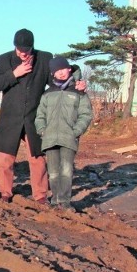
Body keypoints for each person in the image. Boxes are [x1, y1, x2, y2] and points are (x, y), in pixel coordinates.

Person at [0, 28, 86, 204]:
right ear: (15, 47)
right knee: (5, 158)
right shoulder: (4, 60)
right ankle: (5, 192)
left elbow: (62, 75)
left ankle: (40, 195)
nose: (23, 54)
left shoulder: (45, 58)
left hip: (35, 116)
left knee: (38, 158)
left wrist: (77, 82)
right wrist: (14, 74)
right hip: (10, 117)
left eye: (26, 51)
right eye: (20, 50)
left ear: (32, 47)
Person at [35, 56, 93, 212]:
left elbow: (86, 114)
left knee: (66, 170)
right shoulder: (48, 93)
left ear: (69, 69)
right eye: (56, 71)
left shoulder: (78, 92)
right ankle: (54, 201)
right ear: (53, 74)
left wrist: (76, 131)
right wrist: (42, 130)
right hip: (50, 138)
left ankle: (65, 202)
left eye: (63, 69)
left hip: (69, 138)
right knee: (53, 172)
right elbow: (40, 115)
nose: (60, 73)